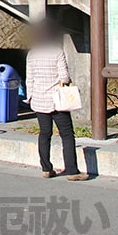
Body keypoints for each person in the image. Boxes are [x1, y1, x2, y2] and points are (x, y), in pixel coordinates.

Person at [24, 20, 88, 181]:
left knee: (44, 134)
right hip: (57, 100)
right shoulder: (57, 52)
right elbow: (64, 77)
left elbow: (29, 79)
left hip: (39, 99)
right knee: (67, 135)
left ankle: (46, 168)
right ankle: (72, 171)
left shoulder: (32, 54)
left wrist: (30, 97)